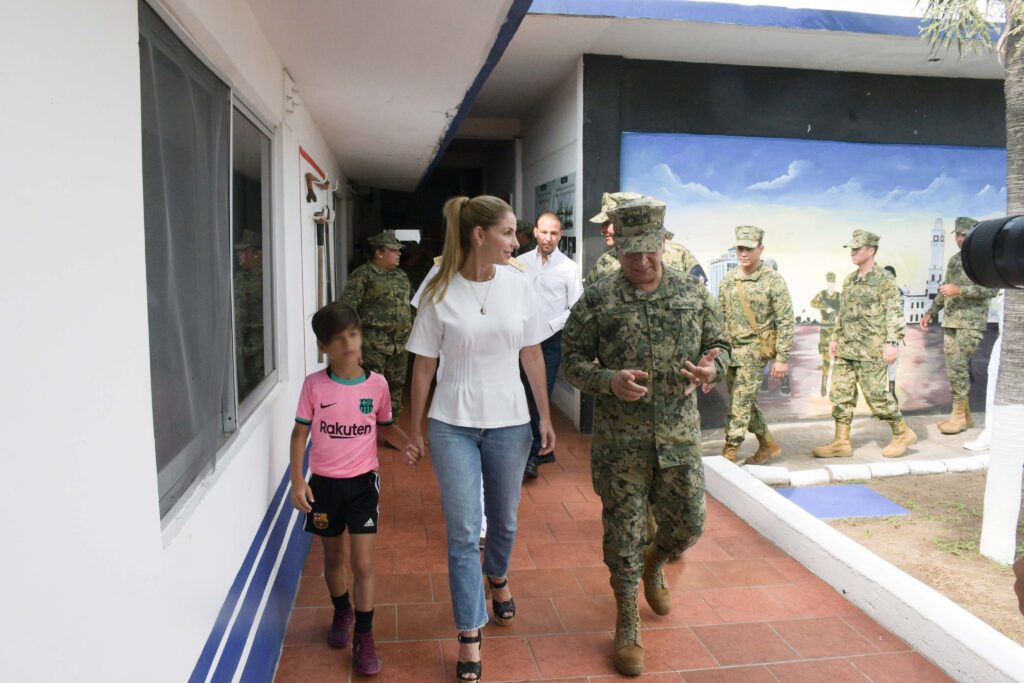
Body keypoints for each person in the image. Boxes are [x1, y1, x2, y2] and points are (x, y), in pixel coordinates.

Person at [562, 196, 729, 675]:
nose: (640, 260)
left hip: (678, 439)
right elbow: (571, 362)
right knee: (623, 537)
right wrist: (607, 380)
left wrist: (712, 368)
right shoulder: (598, 299)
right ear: (617, 249)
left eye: (648, 250)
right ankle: (627, 618)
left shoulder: (693, 294)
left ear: (662, 243)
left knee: (689, 525)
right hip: (622, 446)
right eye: (629, 252)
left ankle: (656, 561)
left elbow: (721, 344)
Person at [405, 195, 555, 683]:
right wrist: (415, 427)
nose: (517, 241)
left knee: (504, 522)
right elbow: (423, 365)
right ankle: (469, 632)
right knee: (464, 531)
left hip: (510, 421)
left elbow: (532, 353)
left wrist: (544, 416)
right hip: (452, 423)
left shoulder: (519, 285)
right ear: (478, 235)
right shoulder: (439, 288)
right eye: (508, 233)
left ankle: (498, 574)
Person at [289, 302, 419, 676]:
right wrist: (298, 480)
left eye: (353, 334)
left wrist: (408, 444)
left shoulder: (377, 385)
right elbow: (299, 434)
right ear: (322, 346)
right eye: (338, 338)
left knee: (362, 563)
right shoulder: (314, 385)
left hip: (363, 485)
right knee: (333, 559)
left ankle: (364, 635)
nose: (348, 343)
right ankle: (342, 609)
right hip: (324, 487)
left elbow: (385, 427)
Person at [813, 230, 917, 459]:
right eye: (851, 249)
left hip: (871, 349)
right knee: (840, 394)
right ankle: (841, 442)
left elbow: (894, 312)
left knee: (876, 395)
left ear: (871, 250)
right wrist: (835, 337)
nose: (852, 253)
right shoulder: (850, 279)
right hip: (846, 348)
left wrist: (892, 342)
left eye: (857, 249)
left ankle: (902, 433)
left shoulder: (884, 279)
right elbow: (843, 312)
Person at [716, 226, 794, 465]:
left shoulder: (773, 280)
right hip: (731, 352)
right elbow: (720, 316)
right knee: (745, 401)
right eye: (740, 248)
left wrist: (782, 358)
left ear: (761, 249)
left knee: (740, 403)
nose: (743, 253)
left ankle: (730, 450)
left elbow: (786, 319)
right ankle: (768, 443)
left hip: (754, 352)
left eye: (749, 249)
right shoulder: (729, 279)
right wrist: (717, 351)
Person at [519, 211, 584, 478]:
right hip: (520, 340)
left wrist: (550, 326)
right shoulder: (519, 263)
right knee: (521, 394)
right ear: (535, 232)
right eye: (544, 232)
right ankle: (536, 448)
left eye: (554, 233)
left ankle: (535, 454)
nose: (548, 238)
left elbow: (577, 308)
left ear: (560, 235)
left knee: (540, 395)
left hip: (549, 342)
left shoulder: (569, 268)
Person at [920, 216, 998, 435]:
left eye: (965, 234)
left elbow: (992, 290)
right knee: (954, 368)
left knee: (958, 368)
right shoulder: (955, 260)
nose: (960, 239)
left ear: (974, 235)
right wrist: (931, 312)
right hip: (951, 321)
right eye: (958, 235)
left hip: (970, 323)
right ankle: (966, 415)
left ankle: (958, 417)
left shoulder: (983, 259)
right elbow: (945, 289)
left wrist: (960, 290)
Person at [341, 230, 413, 417]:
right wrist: (353, 347)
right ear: (379, 253)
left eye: (399, 250)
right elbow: (348, 312)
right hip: (372, 346)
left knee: (396, 387)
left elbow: (410, 306)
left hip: (399, 346)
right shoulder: (362, 276)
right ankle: (366, 426)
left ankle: (391, 424)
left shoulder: (401, 276)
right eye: (393, 250)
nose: (399, 253)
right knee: (370, 388)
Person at [585, 192, 701, 284]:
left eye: (608, 223)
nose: (602, 229)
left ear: (631, 221)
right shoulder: (605, 262)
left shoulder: (680, 254)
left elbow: (699, 293)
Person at [234, 229, 264, 397]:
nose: (238, 255)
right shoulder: (238, 278)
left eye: (243, 251)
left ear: (256, 254)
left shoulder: (267, 279)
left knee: (260, 391)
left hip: (260, 347)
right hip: (240, 345)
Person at [810, 272, 842, 397]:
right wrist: (824, 307)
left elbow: (845, 309)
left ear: (835, 283)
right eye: (829, 283)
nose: (831, 285)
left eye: (832, 283)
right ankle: (823, 385)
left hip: (836, 331)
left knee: (839, 359)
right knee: (826, 359)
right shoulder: (822, 295)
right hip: (825, 331)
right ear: (827, 283)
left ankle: (837, 387)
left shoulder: (839, 296)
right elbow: (812, 303)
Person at [883, 265, 903, 404]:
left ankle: (891, 392)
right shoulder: (879, 292)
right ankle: (884, 394)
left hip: (892, 334)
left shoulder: (898, 293)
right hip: (879, 335)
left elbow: (899, 316)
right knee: (880, 365)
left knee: (892, 364)